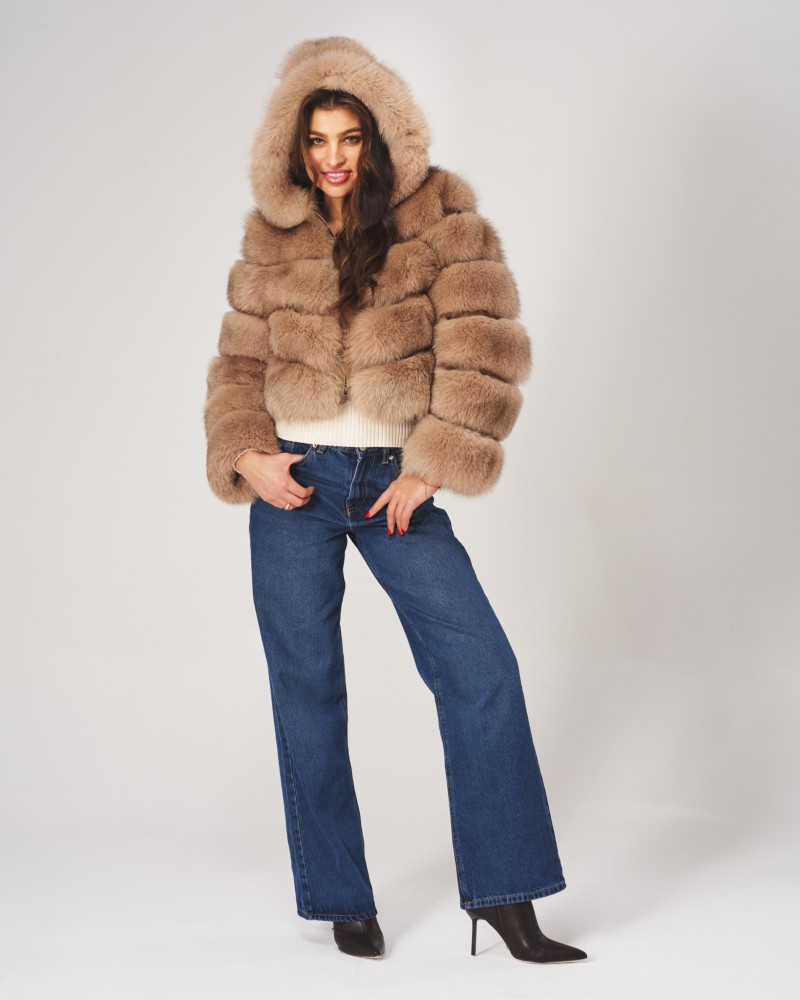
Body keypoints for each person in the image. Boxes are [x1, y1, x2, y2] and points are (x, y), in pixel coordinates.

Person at [203, 35, 587, 965]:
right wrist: (248, 457)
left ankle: (506, 899)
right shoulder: (272, 235)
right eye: (316, 141)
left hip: (391, 481)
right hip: (292, 483)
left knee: (481, 669)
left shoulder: (442, 214)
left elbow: (485, 344)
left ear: (380, 138)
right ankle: (341, 898)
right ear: (295, 148)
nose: (332, 158)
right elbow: (239, 364)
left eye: (349, 138)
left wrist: (431, 466)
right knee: (307, 689)